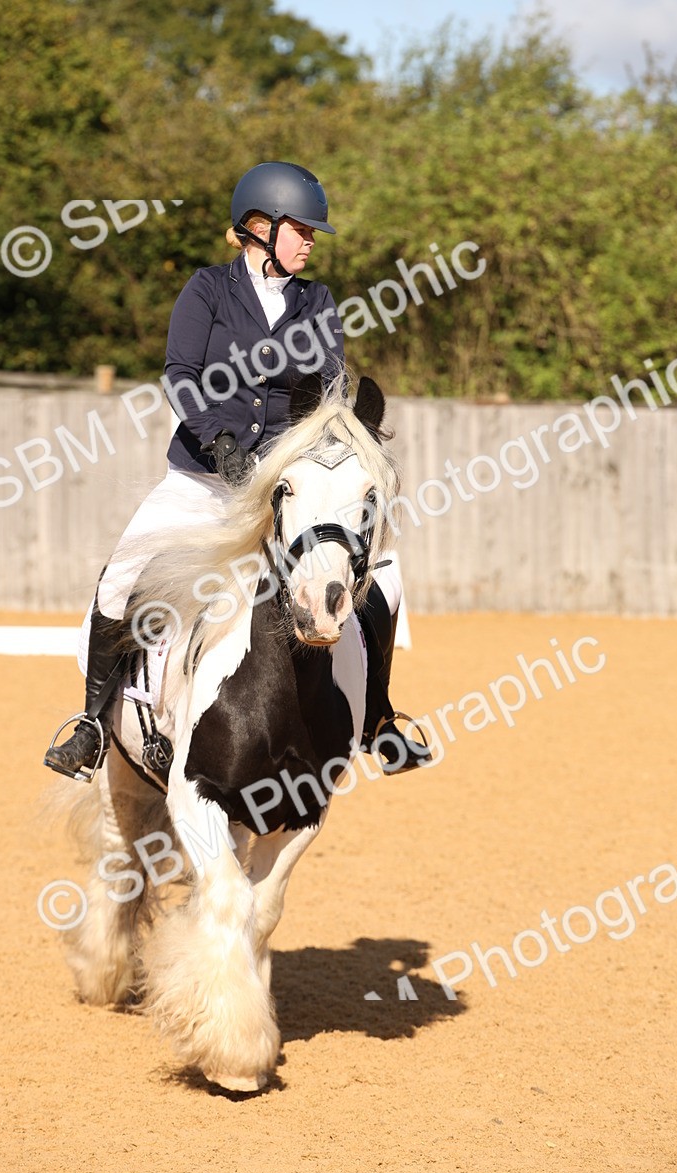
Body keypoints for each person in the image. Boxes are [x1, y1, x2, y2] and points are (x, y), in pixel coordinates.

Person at [44, 161, 431, 780]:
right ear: (259, 227)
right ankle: (91, 722)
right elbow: (181, 376)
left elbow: (329, 386)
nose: (310, 242)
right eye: (301, 230)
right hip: (202, 476)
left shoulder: (317, 302)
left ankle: (379, 719)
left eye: (311, 233)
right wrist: (219, 443)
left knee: (384, 572)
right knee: (120, 577)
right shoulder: (207, 290)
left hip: (283, 486)